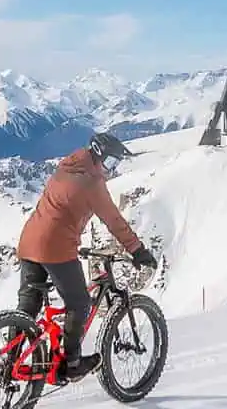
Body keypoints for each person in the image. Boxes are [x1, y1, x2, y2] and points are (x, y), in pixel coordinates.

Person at [16, 132, 157, 385]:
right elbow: (114, 220)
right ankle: (71, 363)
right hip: (55, 248)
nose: (112, 169)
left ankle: (9, 360)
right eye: (112, 163)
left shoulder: (65, 167)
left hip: (28, 242)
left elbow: (62, 209)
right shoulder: (92, 183)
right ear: (99, 155)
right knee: (80, 302)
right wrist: (137, 250)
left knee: (27, 307)